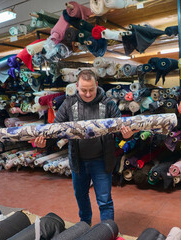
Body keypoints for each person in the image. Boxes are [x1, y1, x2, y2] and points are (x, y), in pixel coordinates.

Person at [31, 69, 137, 225]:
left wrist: (127, 135)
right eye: (84, 90)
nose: (88, 94)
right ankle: (84, 226)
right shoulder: (68, 104)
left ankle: (107, 231)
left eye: (91, 90)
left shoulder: (108, 104)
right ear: (76, 86)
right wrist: (44, 142)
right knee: (81, 197)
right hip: (78, 161)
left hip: (102, 161)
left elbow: (120, 130)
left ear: (97, 85)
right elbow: (55, 131)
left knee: (104, 200)